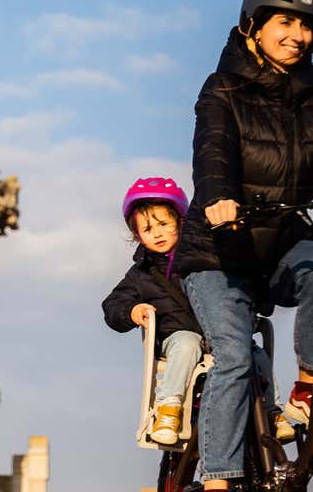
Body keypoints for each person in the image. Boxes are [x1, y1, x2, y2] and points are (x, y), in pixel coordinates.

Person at [173, 0, 313, 490]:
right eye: (285, 21)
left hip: (280, 239)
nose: (298, 35)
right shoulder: (221, 89)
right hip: (219, 248)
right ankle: (219, 477)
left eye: (306, 26)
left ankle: (307, 389)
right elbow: (213, 151)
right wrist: (216, 198)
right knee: (233, 354)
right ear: (252, 27)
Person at [103, 178, 204, 445]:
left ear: (180, 222)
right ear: (138, 235)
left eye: (163, 224)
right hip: (174, 337)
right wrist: (132, 310)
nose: (157, 233)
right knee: (187, 342)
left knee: (252, 351)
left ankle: (271, 409)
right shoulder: (141, 273)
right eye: (147, 229)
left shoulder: (202, 258)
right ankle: (168, 407)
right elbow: (112, 305)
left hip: (216, 334)